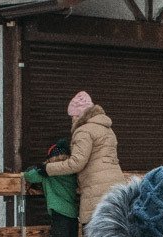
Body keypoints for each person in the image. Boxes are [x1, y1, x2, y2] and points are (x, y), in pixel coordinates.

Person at [43, 91, 126, 226]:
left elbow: (76, 163)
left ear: (79, 114)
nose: (72, 120)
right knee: (115, 234)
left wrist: (47, 168)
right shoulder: (107, 129)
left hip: (97, 190)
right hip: (117, 189)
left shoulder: (83, 131)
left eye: (73, 116)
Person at [24, 137, 80, 237]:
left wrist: (37, 168)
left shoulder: (48, 171)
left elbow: (30, 176)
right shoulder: (71, 170)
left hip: (59, 215)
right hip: (72, 215)